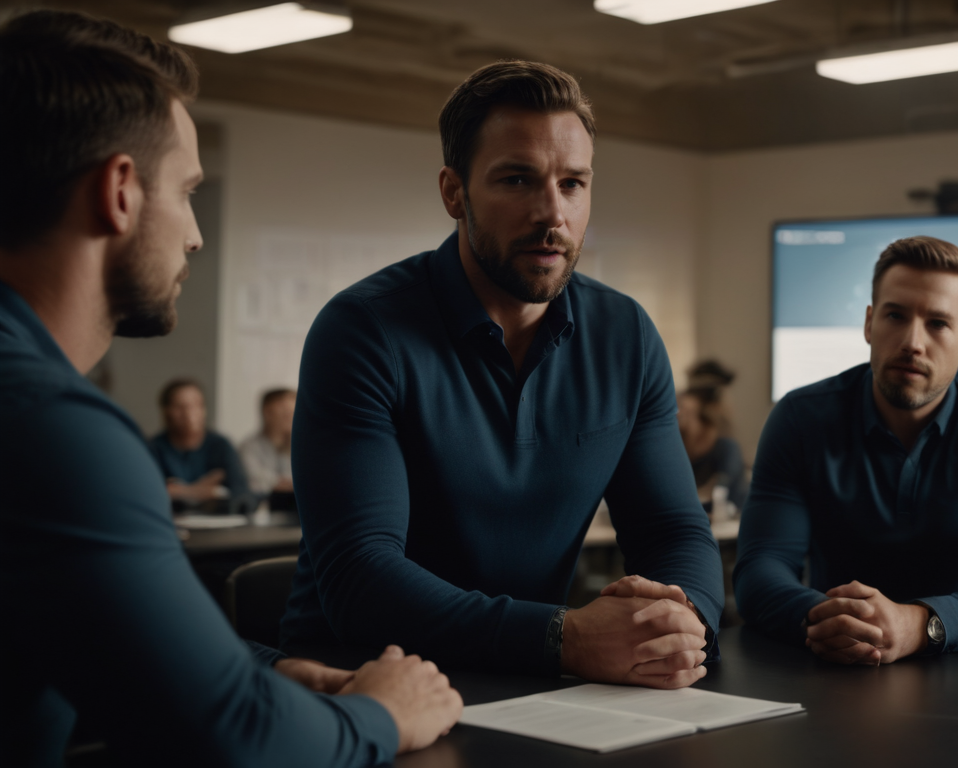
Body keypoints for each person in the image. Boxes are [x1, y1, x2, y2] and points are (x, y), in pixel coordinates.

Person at [0, 11, 461, 766]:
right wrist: (385, 712)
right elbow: (238, 741)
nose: (195, 234)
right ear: (119, 192)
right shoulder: (50, 426)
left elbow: (94, 624)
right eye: (186, 193)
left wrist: (262, 669)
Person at [279, 60, 723, 688]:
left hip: (536, 676)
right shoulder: (363, 330)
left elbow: (673, 530)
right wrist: (564, 636)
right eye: (518, 179)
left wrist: (682, 626)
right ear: (453, 192)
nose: (552, 214)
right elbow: (360, 578)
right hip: (361, 683)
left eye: (572, 183)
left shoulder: (626, 334)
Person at [734, 236, 958, 664]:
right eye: (895, 315)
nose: (913, 341)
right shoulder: (800, 418)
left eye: (938, 324)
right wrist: (825, 620)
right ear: (870, 323)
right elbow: (760, 568)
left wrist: (919, 624)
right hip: (833, 668)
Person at [147, 377, 249, 507]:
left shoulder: (220, 445)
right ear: (166, 411)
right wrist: (194, 491)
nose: (188, 413)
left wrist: (178, 490)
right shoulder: (154, 448)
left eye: (196, 405)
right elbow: (149, 493)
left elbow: (241, 493)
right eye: (180, 406)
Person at [677, 371, 749, 512]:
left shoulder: (727, 448)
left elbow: (717, 494)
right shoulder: (677, 450)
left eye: (681, 407)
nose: (676, 412)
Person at [239, 387, 298, 509]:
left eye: (293, 413)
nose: (290, 418)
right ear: (267, 412)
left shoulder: (301, 448)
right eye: (285, 414)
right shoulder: (249, 447)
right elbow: (251, 480)